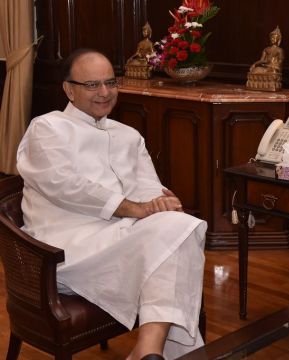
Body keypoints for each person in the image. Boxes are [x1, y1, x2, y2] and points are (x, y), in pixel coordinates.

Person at [16, 48, 207, 360]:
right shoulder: (47, 128)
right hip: (65, 250)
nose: (104, 93)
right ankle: (154, 352)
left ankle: (149, 351)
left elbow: (147, 186)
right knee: (178, 238)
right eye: (92, 85)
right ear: (69, 90)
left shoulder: (128, 135)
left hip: (120, 239)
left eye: (110, 82)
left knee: (179, 227)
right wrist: (135, 209)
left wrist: (161, 203)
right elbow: (66, 186)